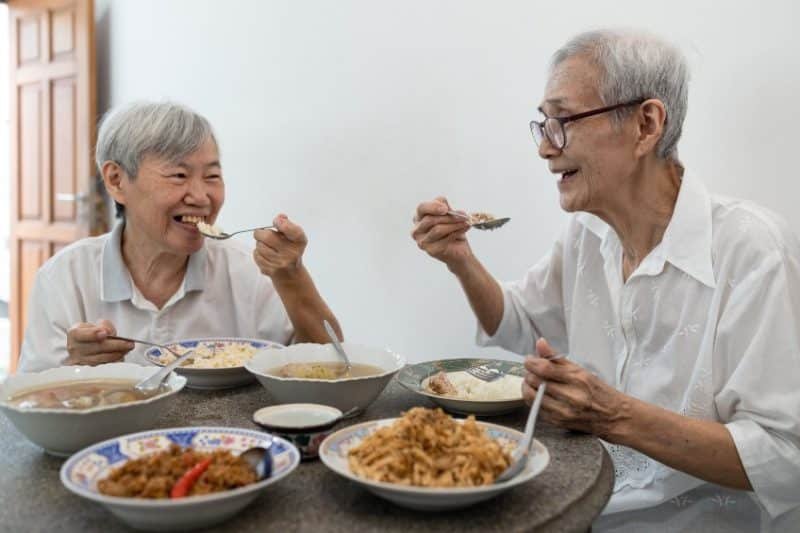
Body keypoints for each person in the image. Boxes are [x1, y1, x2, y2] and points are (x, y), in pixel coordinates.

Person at [411, 29, 800, 530]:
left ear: (645, 125)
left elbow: (787, 457)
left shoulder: (753, 251)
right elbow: (518, 322)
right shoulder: (588, 234)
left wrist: (614, 415)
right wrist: (461, 260)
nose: (545, 149)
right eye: (543, 124)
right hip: (580, 505)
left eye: (563, 121)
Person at [19, 101, 342, 371]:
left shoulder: (249, 271)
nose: (201, 197)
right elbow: (33, 402)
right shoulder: (65, 278)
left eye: (212, 176)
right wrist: (75, 367)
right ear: (116, 180)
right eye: (179, 175)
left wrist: (291, 276)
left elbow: (333, 368)